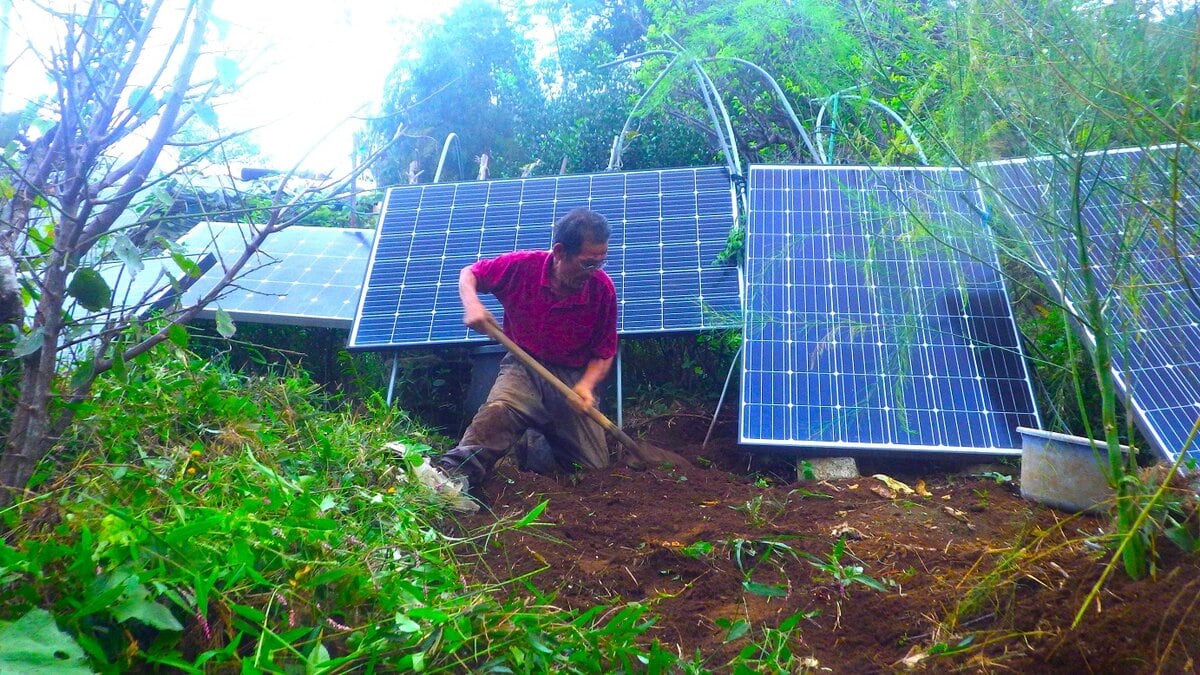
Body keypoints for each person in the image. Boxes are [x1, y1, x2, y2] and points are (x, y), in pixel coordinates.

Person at [422, 208, 618, 511]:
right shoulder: (521, 268)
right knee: (499, 412)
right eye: (587, 262)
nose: (594, 270)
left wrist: (587, 386)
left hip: (572, 376)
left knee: (594, 469)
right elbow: (470, 273)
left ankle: (537, 436)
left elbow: (604, 352)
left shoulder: (602, 290)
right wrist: (472, 304)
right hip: (523, 364)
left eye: (600, 261)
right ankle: (449, 477)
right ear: (560, 252)